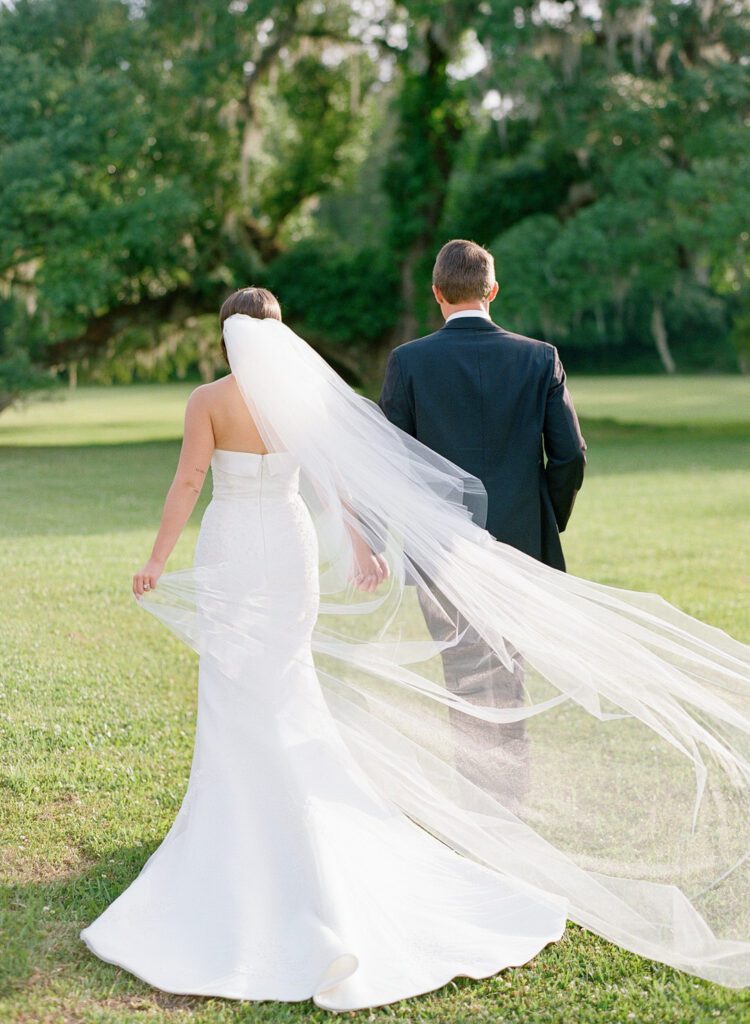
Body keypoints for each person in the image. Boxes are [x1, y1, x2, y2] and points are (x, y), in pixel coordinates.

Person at [79, 285, 750, 1010]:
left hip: (238, 546)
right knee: (284, 677)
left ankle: (243, 835)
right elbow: (335, 482)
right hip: (290, 552)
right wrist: (363, 548)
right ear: (280, 335)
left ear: (225, 337)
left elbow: (188, 480)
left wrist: (156, 558)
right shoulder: (301, 401)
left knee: (241, 682)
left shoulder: (207, 401)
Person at [379, 239, 587, 806]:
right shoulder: (539, 357)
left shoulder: (409, 362)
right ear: (492, 290)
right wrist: (547, 519)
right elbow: (569, 456)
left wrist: (382, 540)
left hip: (438, 549)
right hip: (519, 545)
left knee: (463, 672)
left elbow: (385, 463)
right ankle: (510, 799)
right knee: (508, 670)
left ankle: (478, 802)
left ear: (437, 294)